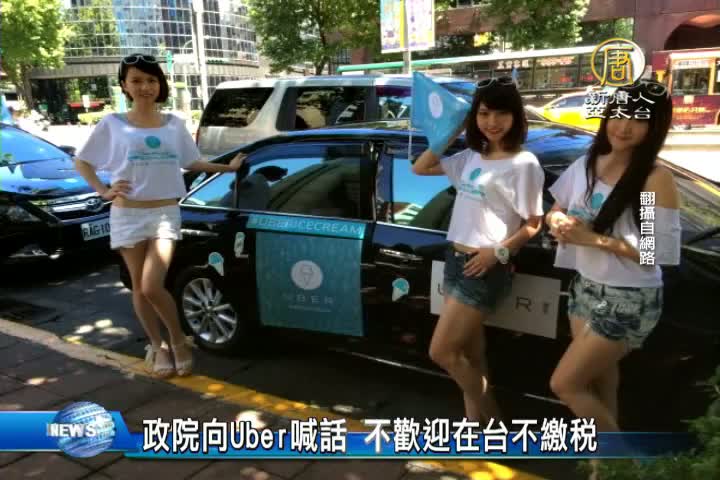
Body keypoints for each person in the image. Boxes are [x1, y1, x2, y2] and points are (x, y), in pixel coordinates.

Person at [74, 53, 246, 378]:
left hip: (165, 214)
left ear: (160, 84)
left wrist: (229, 168)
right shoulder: (112, 123)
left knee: (152, 285)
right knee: (139, 288)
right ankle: (158, 345)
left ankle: (178, 340)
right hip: (127, 214)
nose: (145, 87)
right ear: (124, 85)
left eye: (151, 80)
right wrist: (103, 190)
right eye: (136, 80)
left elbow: (191, 162)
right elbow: (82, 161)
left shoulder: (173, 124)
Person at [546, 81, 679, 476]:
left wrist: (594, 239)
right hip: (586, 287)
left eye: (639, 119)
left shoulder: (652, 179)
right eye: (619, 115)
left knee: (566, 384)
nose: (624, 126)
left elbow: (656, 252)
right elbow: (556, 207)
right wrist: (557, 221)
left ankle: (629, 464)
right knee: (600, 384)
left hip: (628, 296)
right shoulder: (589, 163)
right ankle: (603, 468)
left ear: (654, 127)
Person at [412, 77, 545, 423]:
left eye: (502, 113)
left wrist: (497, 253)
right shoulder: (473, 156)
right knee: (471, 354)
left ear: (516, 116)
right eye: (484, 113)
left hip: (484, 266)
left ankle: (496, 422)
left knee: (442, 352)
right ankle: (475, 425)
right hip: (456, 260)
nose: (492, 122)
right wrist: (452, 130)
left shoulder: (524, 164)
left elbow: (534, 222)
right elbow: (420, 167)